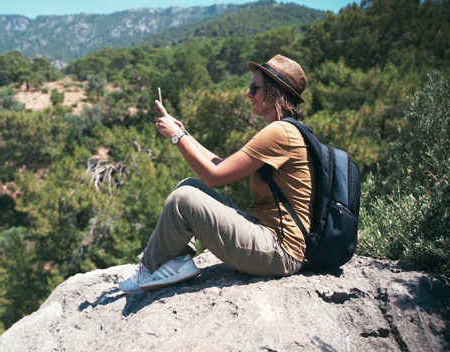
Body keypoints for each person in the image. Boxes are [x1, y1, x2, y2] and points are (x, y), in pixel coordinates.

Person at [119, 54, 314, 294]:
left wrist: (176, 137)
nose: (248, 94)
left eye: (255, 88)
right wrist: (184, 133)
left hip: (280, 252)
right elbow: (222, 165)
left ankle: (149, 269)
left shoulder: (279, 132)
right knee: (189, 185)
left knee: (183, 200)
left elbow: (214, 176)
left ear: (275, 91)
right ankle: (176, 261)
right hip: (270, 240)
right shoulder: (287, 130)